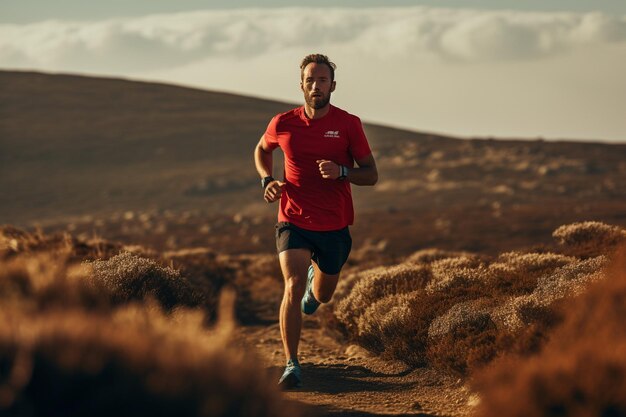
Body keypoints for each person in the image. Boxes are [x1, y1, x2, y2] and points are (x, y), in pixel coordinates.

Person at [253, 53, 378, 389]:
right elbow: (262, 150)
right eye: (310, 79)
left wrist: (342, 172)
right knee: (291, 287)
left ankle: (315, 288)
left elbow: (371, 174)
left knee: (321, 296)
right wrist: (267, 180)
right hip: (293, 218)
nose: (316, 85)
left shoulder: (349, 124)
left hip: (334, 225)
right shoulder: (282, 123)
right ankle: (292, 363)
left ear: (332, 86)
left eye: (322, 80)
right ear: (302, 85)